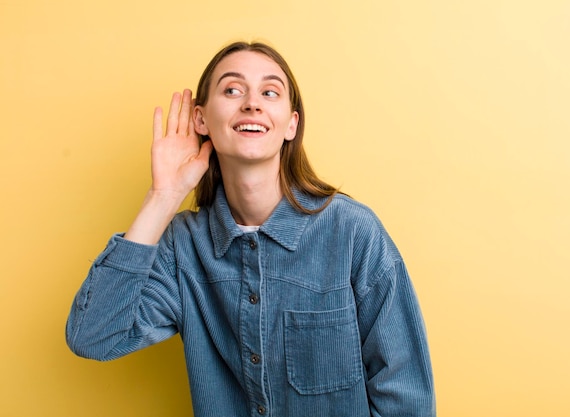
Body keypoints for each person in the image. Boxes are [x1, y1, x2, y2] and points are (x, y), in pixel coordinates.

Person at [66, 41, 435, 417]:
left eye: (270, 92)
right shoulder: (184, 246)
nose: (252, 103)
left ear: (291, 124)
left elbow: (406, 396)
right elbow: (94, 336)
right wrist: (163, 196)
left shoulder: (353, 232)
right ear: (201, 120)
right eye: (232, 90)